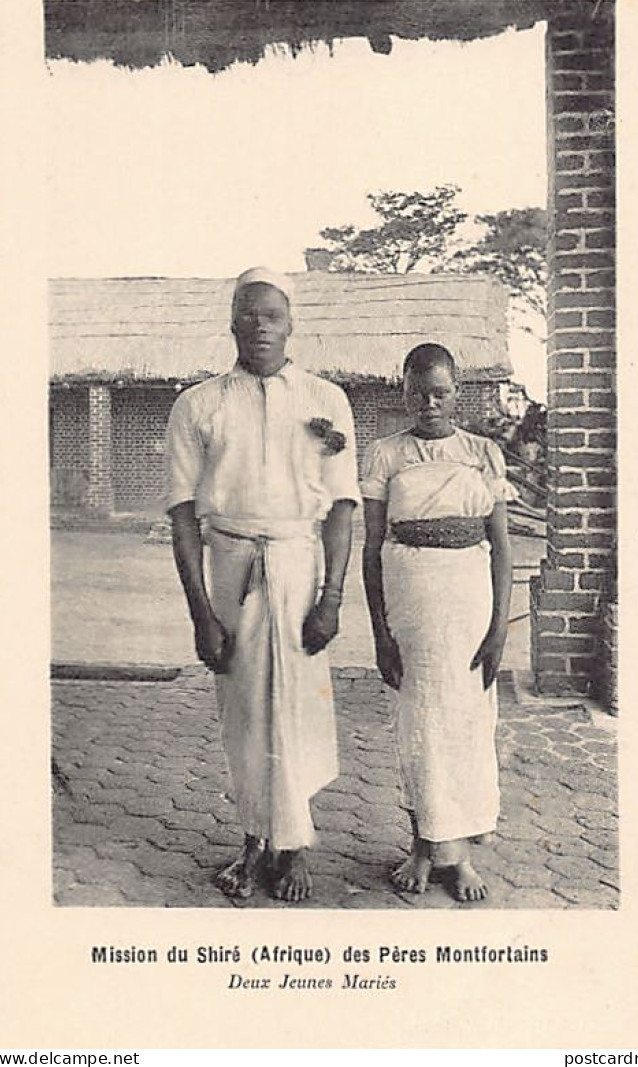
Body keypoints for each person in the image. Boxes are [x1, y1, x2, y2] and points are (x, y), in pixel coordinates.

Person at [164, 267, 359, 902]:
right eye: (247, 316)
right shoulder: (199, 404)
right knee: (245, 715)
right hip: (231, 569)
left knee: (300, 709)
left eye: (271, 316)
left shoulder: (327, 401)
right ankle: (253, 843)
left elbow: (343, 506)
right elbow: (182, 513)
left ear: (291, 323)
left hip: (300, 571)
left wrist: (331, 599)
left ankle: (295, 845)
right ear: (231, 325)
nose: (259, 327)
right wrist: (202, 615)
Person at [361, 343, 515, 901]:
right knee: (420, 724)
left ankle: (461, 857)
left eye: (441, 392)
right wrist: (380, 633)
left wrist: (500, 628)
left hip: (469, 602)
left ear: (457, 393)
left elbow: (501, 547)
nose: (429, 403)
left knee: (467, 725)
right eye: (418, 391)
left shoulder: (482, 454)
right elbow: (372, 546)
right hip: (411, 603)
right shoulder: (385, 455)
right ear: (402, 391)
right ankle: (421, 849)